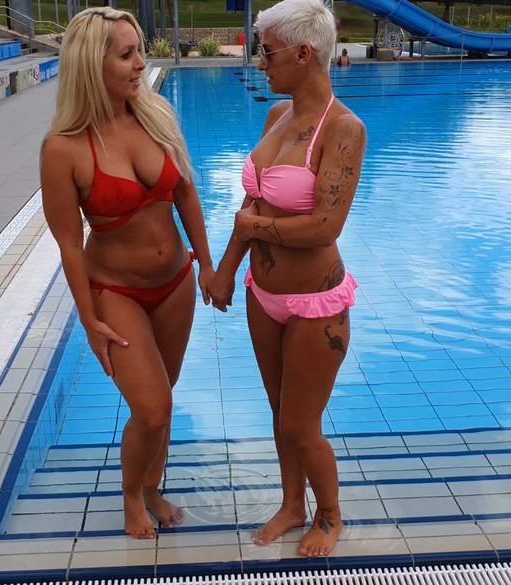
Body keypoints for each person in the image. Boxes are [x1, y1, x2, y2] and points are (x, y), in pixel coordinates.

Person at [40, 7, 214, 539]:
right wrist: (89, 319)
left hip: (176, 283)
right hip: (117, 291)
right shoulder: (63, 148)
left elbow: (185, 191)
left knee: (165, 396)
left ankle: (153, 487)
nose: (141, 62)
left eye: (140, 50)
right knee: (152, 407)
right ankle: (131, 496)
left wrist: (207, 263)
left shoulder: (156, 113)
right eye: (127, 54)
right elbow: (69, 243)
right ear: (91, 65)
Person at [209, 0, 366, 558]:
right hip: (264, 294)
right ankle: (291, 504)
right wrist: (227, 268)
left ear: (303, 53)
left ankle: (330, 515)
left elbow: (325, 226)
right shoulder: (277, 115)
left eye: (267, 52)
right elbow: (252, 201)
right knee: (280, 412)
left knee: (302, 424)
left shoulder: (344, 128)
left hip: (315, 304)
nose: (259, 62)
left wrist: (253, 228)